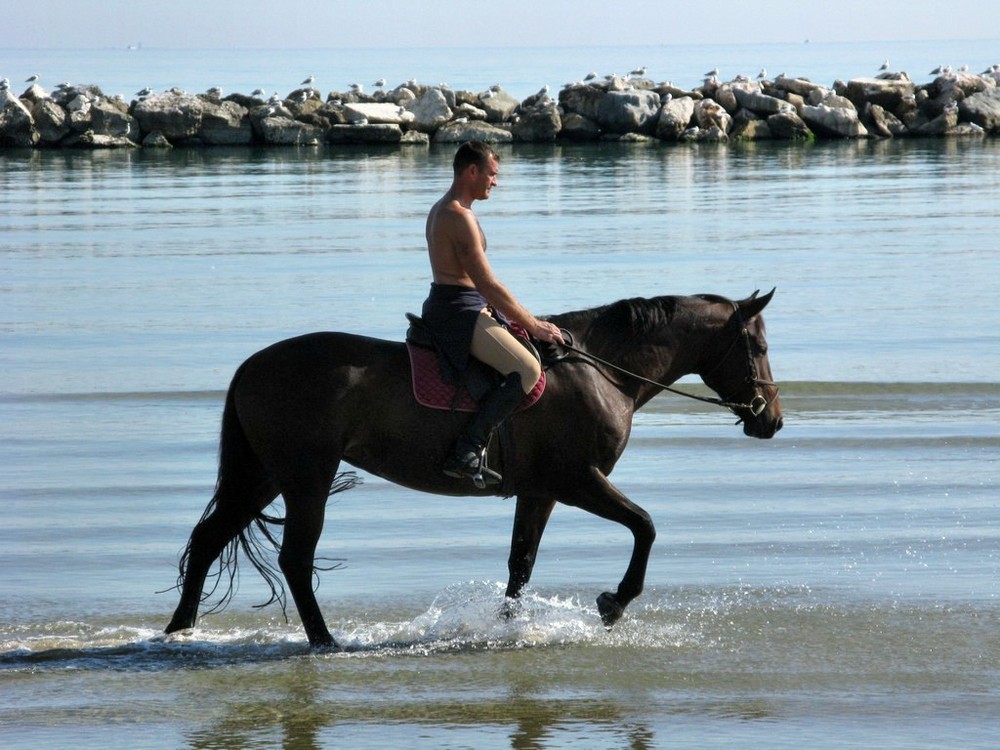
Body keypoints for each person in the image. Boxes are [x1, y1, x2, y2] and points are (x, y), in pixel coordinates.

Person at [421, 141, 564, 486]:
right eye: (491, 174)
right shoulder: (458, 216)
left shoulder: (444, 208)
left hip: (456, 304)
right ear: (472, 171)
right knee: (527, 368)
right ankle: (467, 451)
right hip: (460, 312)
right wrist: (533, 324)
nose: (495, 182)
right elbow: (487, 284)